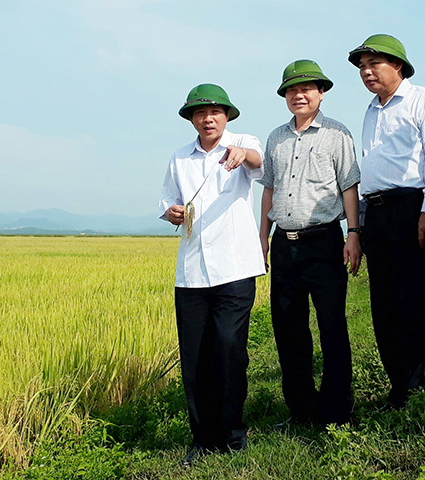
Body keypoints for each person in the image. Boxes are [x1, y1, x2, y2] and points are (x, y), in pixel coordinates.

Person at [159, 84, 266, 465]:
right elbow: (166, 199)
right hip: (190, 274)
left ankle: (233, 435)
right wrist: (171, 211)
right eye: (200, 114)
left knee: (229, 350)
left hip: (235, 270)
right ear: (191, 119)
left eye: (216, 112)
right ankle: (202, 438)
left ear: (227, 116)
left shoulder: (241, 143)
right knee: (196, 358)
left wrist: (244, 154)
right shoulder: (179, 159)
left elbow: (260, 163)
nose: (208, 119)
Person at [348, 34, 425, 409]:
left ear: (398, 65)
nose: (366, 71)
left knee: (416, 298)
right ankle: (397, 388)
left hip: (413, 208)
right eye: (362, 66)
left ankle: (419, 388)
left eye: (374, 63)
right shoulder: (371, 111)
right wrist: (359, 224)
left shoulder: (424, 100)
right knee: (385, 302)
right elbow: (370, 170)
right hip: (376, 213)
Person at [257, 60, 361, 426]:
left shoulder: (338, 134)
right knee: (288, 329)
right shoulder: (276, 138)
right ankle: (301, 409)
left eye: (306, 89)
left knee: (332, 326)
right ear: (285, 95)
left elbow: (349, 186)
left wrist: (353, 235)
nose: (298, 95)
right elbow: (268, 188)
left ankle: (336, 411)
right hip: (285, 244)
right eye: (291, 90)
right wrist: (263, 238)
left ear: (321, 93)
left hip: (325, 243)